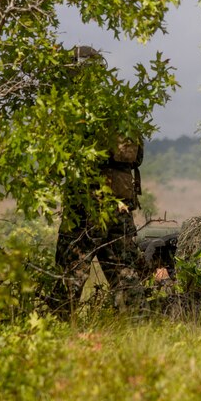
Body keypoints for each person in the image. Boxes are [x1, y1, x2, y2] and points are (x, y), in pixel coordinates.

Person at [51, 45, 147, 315]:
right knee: (126, 276)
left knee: (69, 277)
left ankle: (56, 331)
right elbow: (137, 156)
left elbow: (60, 158)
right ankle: (140, 330)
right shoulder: (120, 108)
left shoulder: (73, 109)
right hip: (120, 204)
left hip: (87, 205)